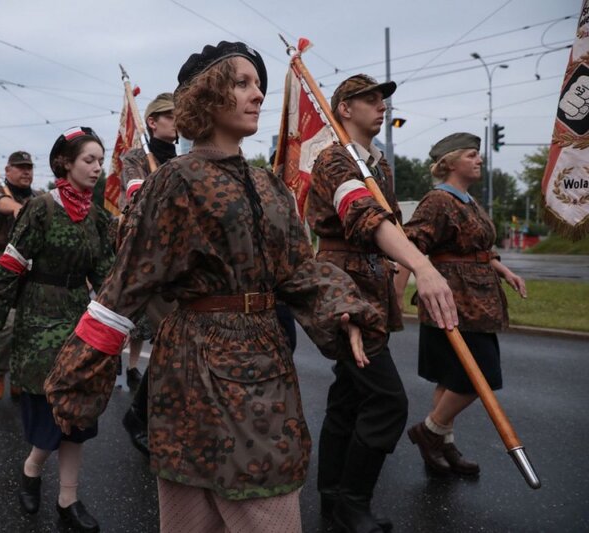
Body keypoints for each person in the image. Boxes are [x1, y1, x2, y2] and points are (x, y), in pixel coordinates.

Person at [44, 41, 386, 533]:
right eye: (242, 83)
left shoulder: (268, 183)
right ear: (207, 96)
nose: (258, 94)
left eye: (259, 85)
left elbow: (298, 268)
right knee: (191, 515)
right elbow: (126, 285)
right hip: (191, 364)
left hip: (264, 363)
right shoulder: (175, 180)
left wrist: (343, 306)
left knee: (268, 499)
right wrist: (78, 376)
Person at [306, 74, 457, 532]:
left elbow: (390, 223)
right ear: (344, 109)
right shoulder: (334, 159)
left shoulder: (380, 163)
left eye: (383, 99)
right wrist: (423, 268)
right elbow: (364, 215)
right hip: (343, 289)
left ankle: (332, 501)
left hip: (370, 285)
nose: (381, 105)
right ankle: (352, 504)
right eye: (368, 99)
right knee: (388, 401)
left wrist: (398, 269)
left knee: (350, 397)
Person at [0, 127, 113, 532]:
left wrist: (125, 319)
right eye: (89, 160)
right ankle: (32, 469)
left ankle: (68, 499)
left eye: (101, 162)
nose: (97, 168)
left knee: (78, 414)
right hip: (37, 319)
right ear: (65, 163)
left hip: (79, 322)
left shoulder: (99, 220)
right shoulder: (42, 209)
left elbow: (106, 276)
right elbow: (11, 265)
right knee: (50, 415)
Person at [396, 133, 526, 477]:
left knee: (449, 378)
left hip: (475, 298)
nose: (479, 159)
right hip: (453, 301)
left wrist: (503, 269)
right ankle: (430, 432)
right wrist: (395, 296)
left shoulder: (468, 200)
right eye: (471, 155)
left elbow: (477, 246)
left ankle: (442, 446)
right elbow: (409, 246)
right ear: (450, 163)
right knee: (478, 375)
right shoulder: (438, 200)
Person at [118, 92, 179, 455]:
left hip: (181, 263)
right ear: (153, 122)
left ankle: (162, 418)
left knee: (178, 346)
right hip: (152, 263)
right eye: (170, 116)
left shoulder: (184, 158)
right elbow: (136, 194)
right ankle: (141, 416)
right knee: (172, 342)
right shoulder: (137, 158)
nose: (177, 121)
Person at [0, 150, 41, 400]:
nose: (26, 172)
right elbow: (0, 205)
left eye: (30, 167)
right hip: (1, 263)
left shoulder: (38, 197)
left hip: (30, 266)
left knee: (28, 327)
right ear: (8, 170)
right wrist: (19, 209)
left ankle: (17, 374)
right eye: (20, 167)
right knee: (6, 326)